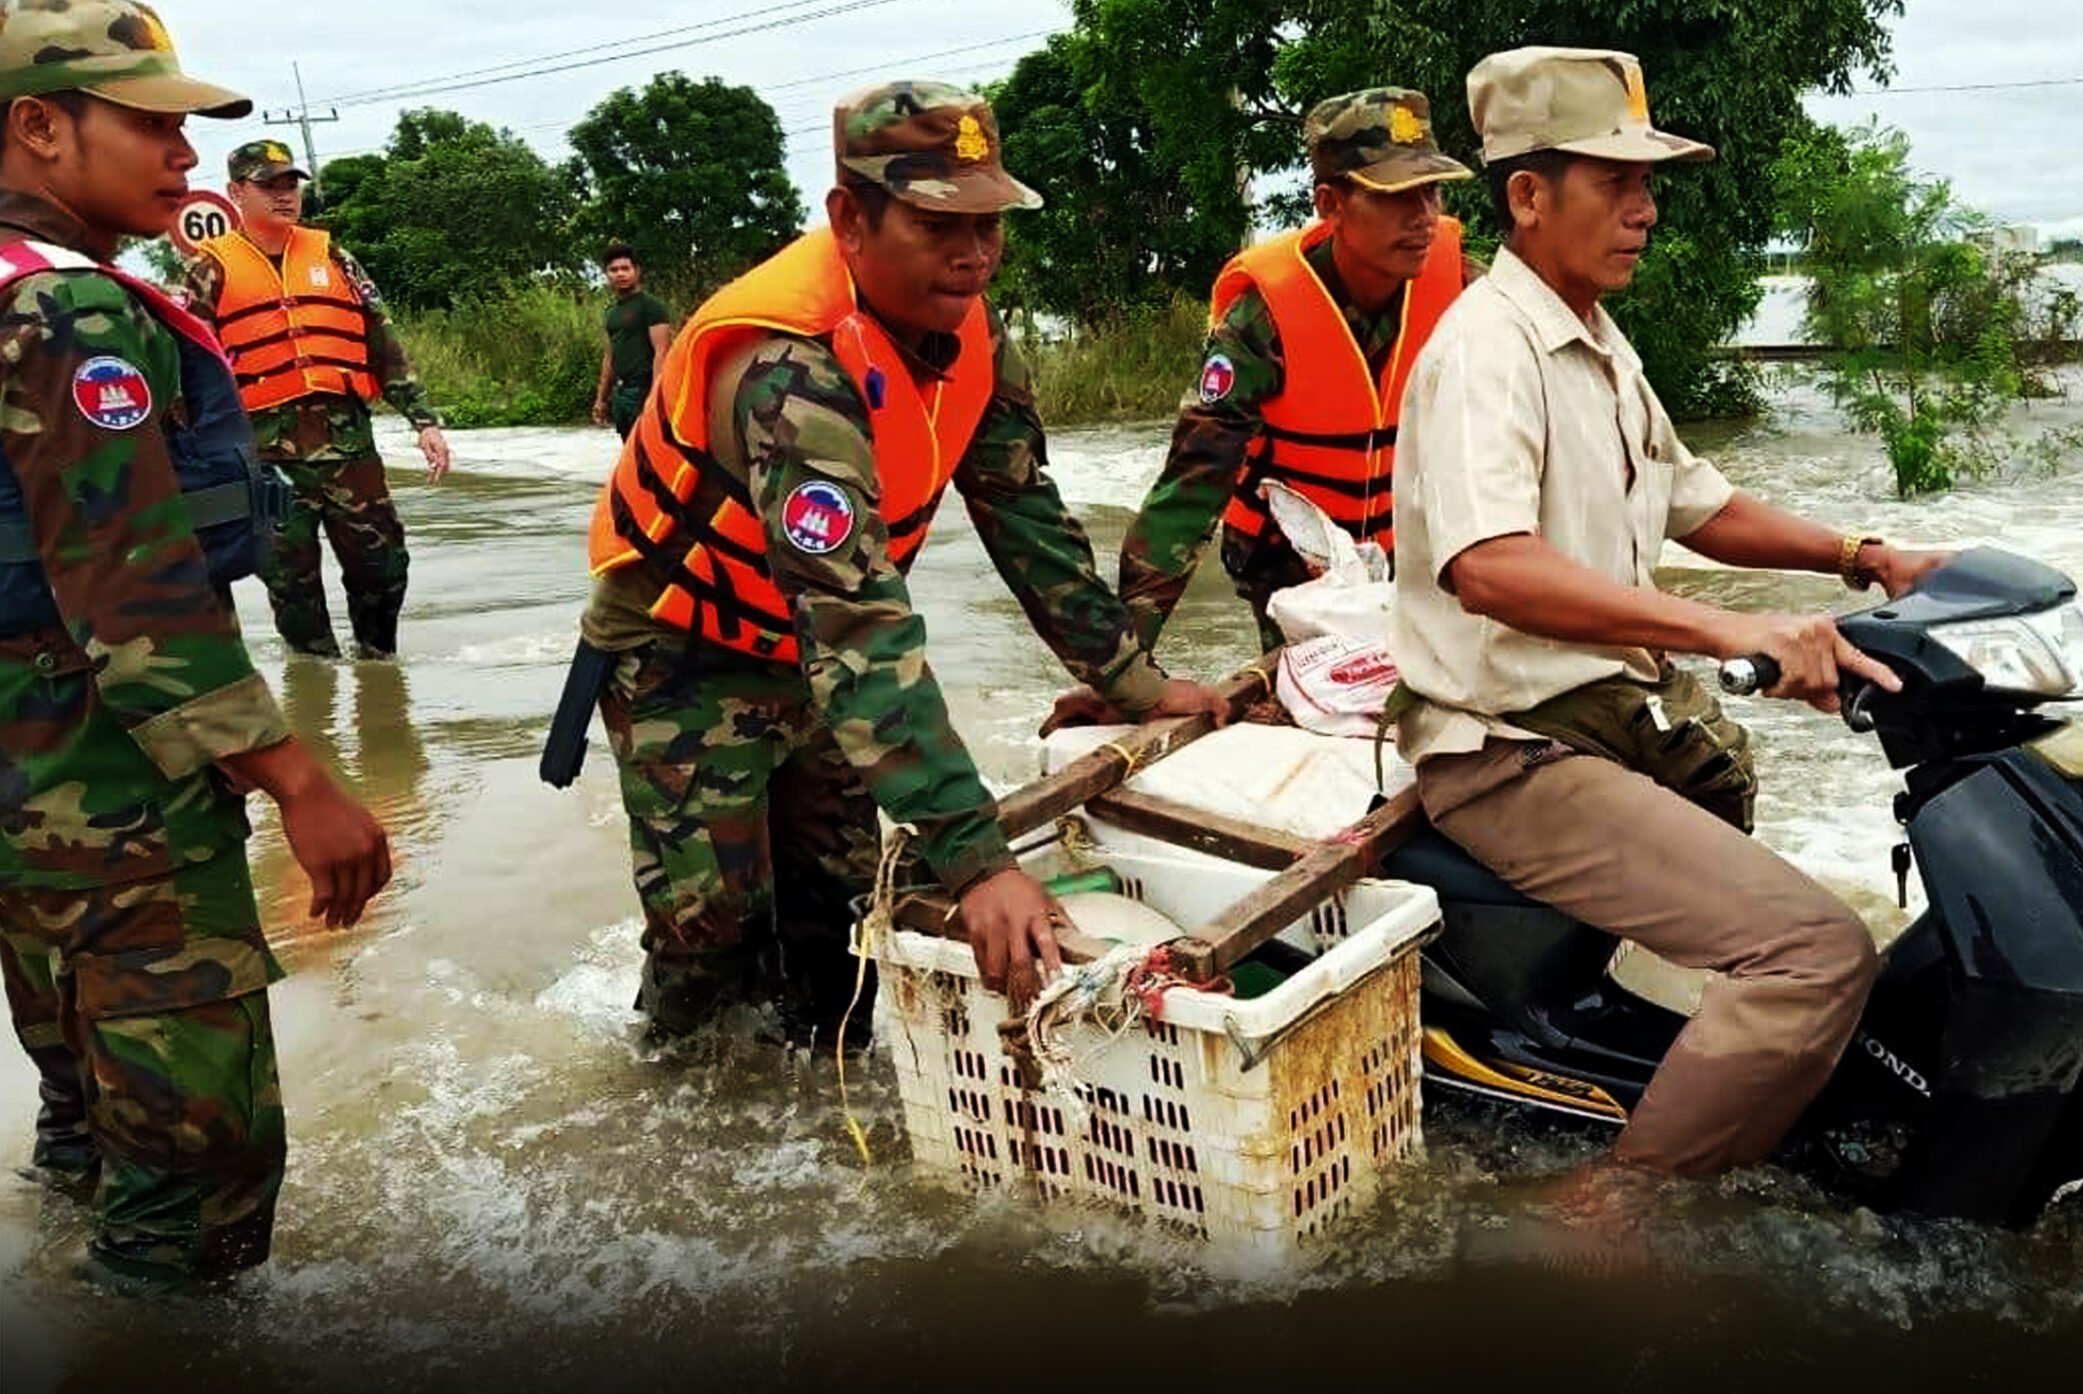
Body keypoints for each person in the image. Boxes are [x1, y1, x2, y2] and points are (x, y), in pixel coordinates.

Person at [567, 81, 1228, 1046]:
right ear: (850, 218)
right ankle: (677, 1117)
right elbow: (855, 618)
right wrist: (977, 859)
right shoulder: (788, 370)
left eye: (990, 224)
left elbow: (1029, 520)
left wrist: (1132, 680)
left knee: (837, 927)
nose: (973, 254)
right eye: (935, 222)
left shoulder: (977, 333)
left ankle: (820, 1105)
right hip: (684, 653)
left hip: (819, 664)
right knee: (711, 931)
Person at [1389, 46, 1949, 1182]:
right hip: (1510, 749)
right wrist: (1729, 629)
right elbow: (1488, 567)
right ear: (1528, 195)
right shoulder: (1488, 351)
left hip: (1602, 716)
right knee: (1810, 951)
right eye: (1616, 182)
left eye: (1650, 185)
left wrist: (1864, 555)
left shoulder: (1593, 336)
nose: (1645, 210)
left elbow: (1698, 498)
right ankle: (1615, 1212)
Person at [0, 0, 392, 1293]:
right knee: (199, 1170)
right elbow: (142, 595)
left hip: (26, 812)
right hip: (115, 805)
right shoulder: (66, 319)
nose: (187, 158)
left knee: (84, 1113)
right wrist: (301, 777)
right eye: (154, 125)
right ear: (39, 129)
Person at [1116, 87, 1473, 655]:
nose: (1425, 217)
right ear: (1330, 205)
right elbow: (1190, 490)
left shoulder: (1462, 288)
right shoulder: (1262, 319)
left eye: (1431, 191)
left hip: (1408, 550)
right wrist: (1125, 662)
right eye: (1398, 196)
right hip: (1287, 564)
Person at [180, 137, 451, 660]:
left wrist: (424, 421)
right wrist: (196, 456)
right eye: (269, 186)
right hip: (264, 457)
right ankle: (314, 683)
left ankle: (378, 668)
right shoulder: (207, 269)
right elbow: (189, 368)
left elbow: (382, 342)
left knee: (384, 567)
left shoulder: (334, 257)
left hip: (347, 447)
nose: (284, 196)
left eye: (290, 185)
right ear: (236, 192)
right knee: (290, 584)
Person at [590, 241, 670, 439]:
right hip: (622, 392)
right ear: (607, 275)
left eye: (625, 268)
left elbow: (662, 351)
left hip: (644, 389)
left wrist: (655, 396)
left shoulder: (650, 306)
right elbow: (610, 356)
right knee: (629, 453)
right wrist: (601, 399)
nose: (620, 274)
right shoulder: (611, 312)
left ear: (637, 271)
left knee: (650, 451)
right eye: (614, 270)